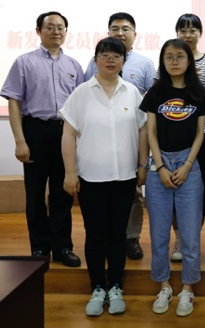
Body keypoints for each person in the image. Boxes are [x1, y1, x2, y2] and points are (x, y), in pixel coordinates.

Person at [60, 37, 148, 316]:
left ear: (124, 61)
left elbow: (143, 131)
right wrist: (70, 172)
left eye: (117, 55)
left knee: (118, 234)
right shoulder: (81, 93)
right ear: (96, 59)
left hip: (124, 177)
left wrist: (143, 165)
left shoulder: (133, 93)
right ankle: (98, 286)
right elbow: (68, 134)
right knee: (96, 234)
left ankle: (116, 286)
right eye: (105, 54)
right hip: (91, 178)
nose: (111, 60)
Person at [0, 11, 84, 267]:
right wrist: (20, 141)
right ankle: (39, 247)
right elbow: (14, 103)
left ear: (66, 32)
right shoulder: (24, 63)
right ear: (38, 31)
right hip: (35, 131)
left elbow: (80, 107)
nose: (56, 31)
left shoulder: (74, 66)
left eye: (61, 27)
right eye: (50, 27)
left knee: (63, 194)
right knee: (35, 194)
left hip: (65, 133)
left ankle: (62, 247)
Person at [141, 39, 205, 316]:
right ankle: (164, 286)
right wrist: (159, 166)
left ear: (189, 61)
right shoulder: (155, 92)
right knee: (158, 234)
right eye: (169, 57)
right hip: (159, 165)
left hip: (188, 166)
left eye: (180, 56)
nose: (174, 62)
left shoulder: (199, 93)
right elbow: (150, 132)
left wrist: (188, 164)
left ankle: (188, 289)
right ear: (163, 61)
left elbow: (201, 134)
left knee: (190, 235)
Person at [84, 12, 156, 260]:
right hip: (100, 142)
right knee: (103, 195)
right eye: (115, 28)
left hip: (131, 137)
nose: (120, 33)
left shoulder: (145, 64)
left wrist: (144, 158)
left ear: (135, 34)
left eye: (126, 29)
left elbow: (153, 102)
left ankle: (131, 238)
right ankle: (106, 237)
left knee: (133, 193)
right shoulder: (94, 62)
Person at [170, 13, 205, 262]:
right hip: (172, 134)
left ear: (200, 33)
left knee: (197, 193)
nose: (188, 35)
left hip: (200, 132)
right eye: (183, 30)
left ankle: (192, 237)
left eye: (193, 30)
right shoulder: (170, 57)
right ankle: (179, 238)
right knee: (173, 191)